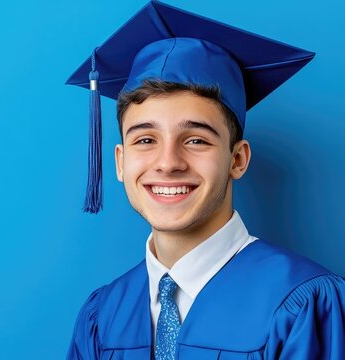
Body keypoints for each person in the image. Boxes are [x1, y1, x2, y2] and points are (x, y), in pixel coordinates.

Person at [64, 1, 345, 359]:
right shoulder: (102, 317)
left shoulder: (304, 304)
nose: (168, 163)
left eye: (196, 140)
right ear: (120, 163)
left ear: (237, 159)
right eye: (145, 140)